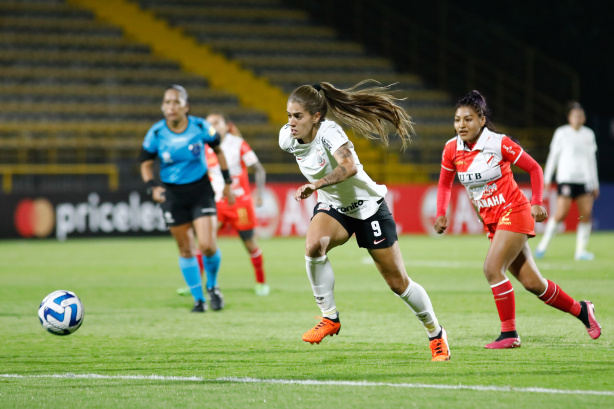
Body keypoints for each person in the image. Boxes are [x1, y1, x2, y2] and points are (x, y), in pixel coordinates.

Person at [281, 80, 451, 361]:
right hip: (335, 207)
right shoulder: (286, 138)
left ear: (316, 117)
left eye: (297, 116)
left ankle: (436, 333)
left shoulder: (330, 133)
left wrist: (318, 183)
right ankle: (330, 317)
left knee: (398, 283)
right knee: (313, 246)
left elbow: (348, 166)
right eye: (288, 115)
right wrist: (322, 189)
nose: (291, 122)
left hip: (367, 207)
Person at [434, 90, 601, 349]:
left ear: (481, 119)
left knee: (491, 269)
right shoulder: (451, 148)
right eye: (457, 120)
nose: (461, 125)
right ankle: (582, 310)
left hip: (514, 211)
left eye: (468, 119)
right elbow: (445, 185)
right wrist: (442, 212)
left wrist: (537, 202)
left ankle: (509, 334)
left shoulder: (498, 143)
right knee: (534, 284)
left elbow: (535, 168)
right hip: (493, 221)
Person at [140, 84, 233, 313]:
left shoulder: (201, 126)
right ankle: (198, 299)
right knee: (185, 249)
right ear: (163, 107)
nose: (171, 107)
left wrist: (227, 183)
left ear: (186, 107)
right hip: (173, 195)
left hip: (201, 191)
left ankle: (212, 286)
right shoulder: (156, 133)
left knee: (208, 246)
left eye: (176, 102)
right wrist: (151, 187)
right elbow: (145, 162)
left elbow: (218, 151)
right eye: (167, 102)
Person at [177, 112, 270, 296]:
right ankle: (194, 284)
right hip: (216, 203)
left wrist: (259, 194)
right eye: (209, 123)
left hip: (239, 203)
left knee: (250, 244)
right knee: (205, 244)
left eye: (216, 122)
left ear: (227, 125)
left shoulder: (238, 144)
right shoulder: (203, 147)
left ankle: (261, 282)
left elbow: (259, 169)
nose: (213, 126)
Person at [535, 102, 599, 261]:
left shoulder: (589, 134)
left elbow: (592, 160)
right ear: (569, 117)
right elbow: (553, 157)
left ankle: (581, 251)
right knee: (561, 214)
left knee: (585, 215)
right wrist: (547, 177)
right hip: (567, 180)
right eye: (575, 115)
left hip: (584, 180)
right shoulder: (561, 133)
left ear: (583, 118)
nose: (578, 118)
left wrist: (595, 183)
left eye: (580, 115)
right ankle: (542, 246)